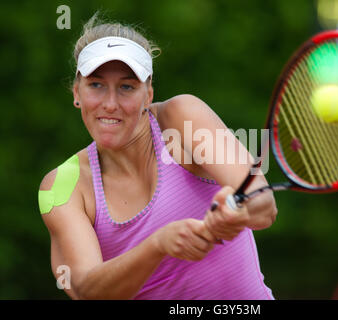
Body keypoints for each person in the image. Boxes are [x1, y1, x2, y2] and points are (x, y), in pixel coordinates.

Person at [38, 13, 278, 300]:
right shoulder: (63, 187)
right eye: (96, 85)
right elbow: (88, 291)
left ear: (148, 93)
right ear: (77, 92)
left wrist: (237, 212)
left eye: (127, 87)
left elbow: (263, 205)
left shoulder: (180, 118)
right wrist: (158, 245)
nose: (110, 104)